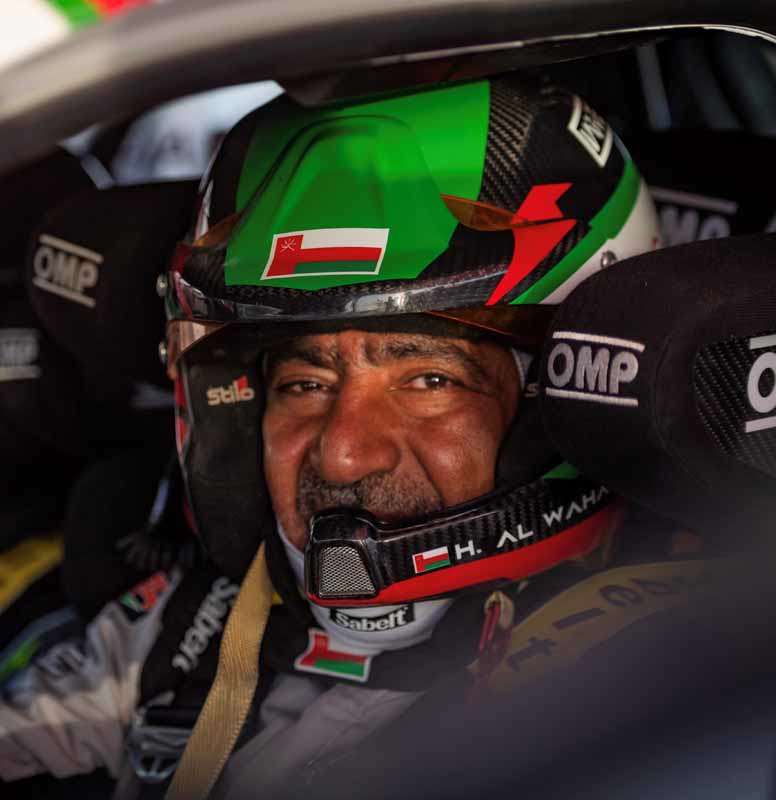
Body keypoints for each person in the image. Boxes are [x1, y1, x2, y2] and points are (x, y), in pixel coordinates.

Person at [1, 74, 683, 798]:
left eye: (429, 381)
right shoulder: (195, 623)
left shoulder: (664, 682)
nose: (342, 453)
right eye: (305, 384)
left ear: (566, 402)